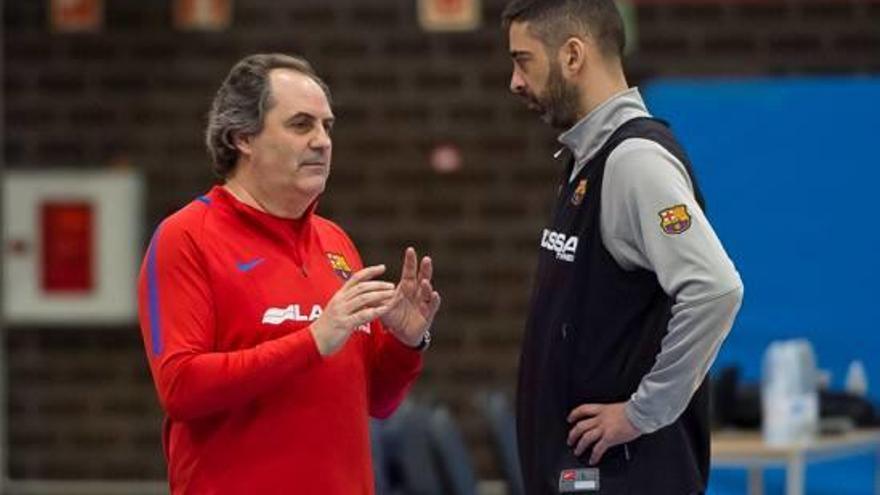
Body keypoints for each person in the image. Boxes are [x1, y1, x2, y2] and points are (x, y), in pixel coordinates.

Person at [136, 53, 440, 494]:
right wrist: (312, 341)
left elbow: (378, 402)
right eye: (301, 125)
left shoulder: (335, 242)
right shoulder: (185, 238)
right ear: (243, 137)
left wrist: (405, 345)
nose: (322, 141)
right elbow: (181, 387)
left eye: (327, 126)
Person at [501, 1, 744, 494]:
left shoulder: (633, 161)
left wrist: (642, 411)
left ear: (573, 56)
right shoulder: (585, 160)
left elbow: (716, 290)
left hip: (627, 475)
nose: (515, 81)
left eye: (523, 59)